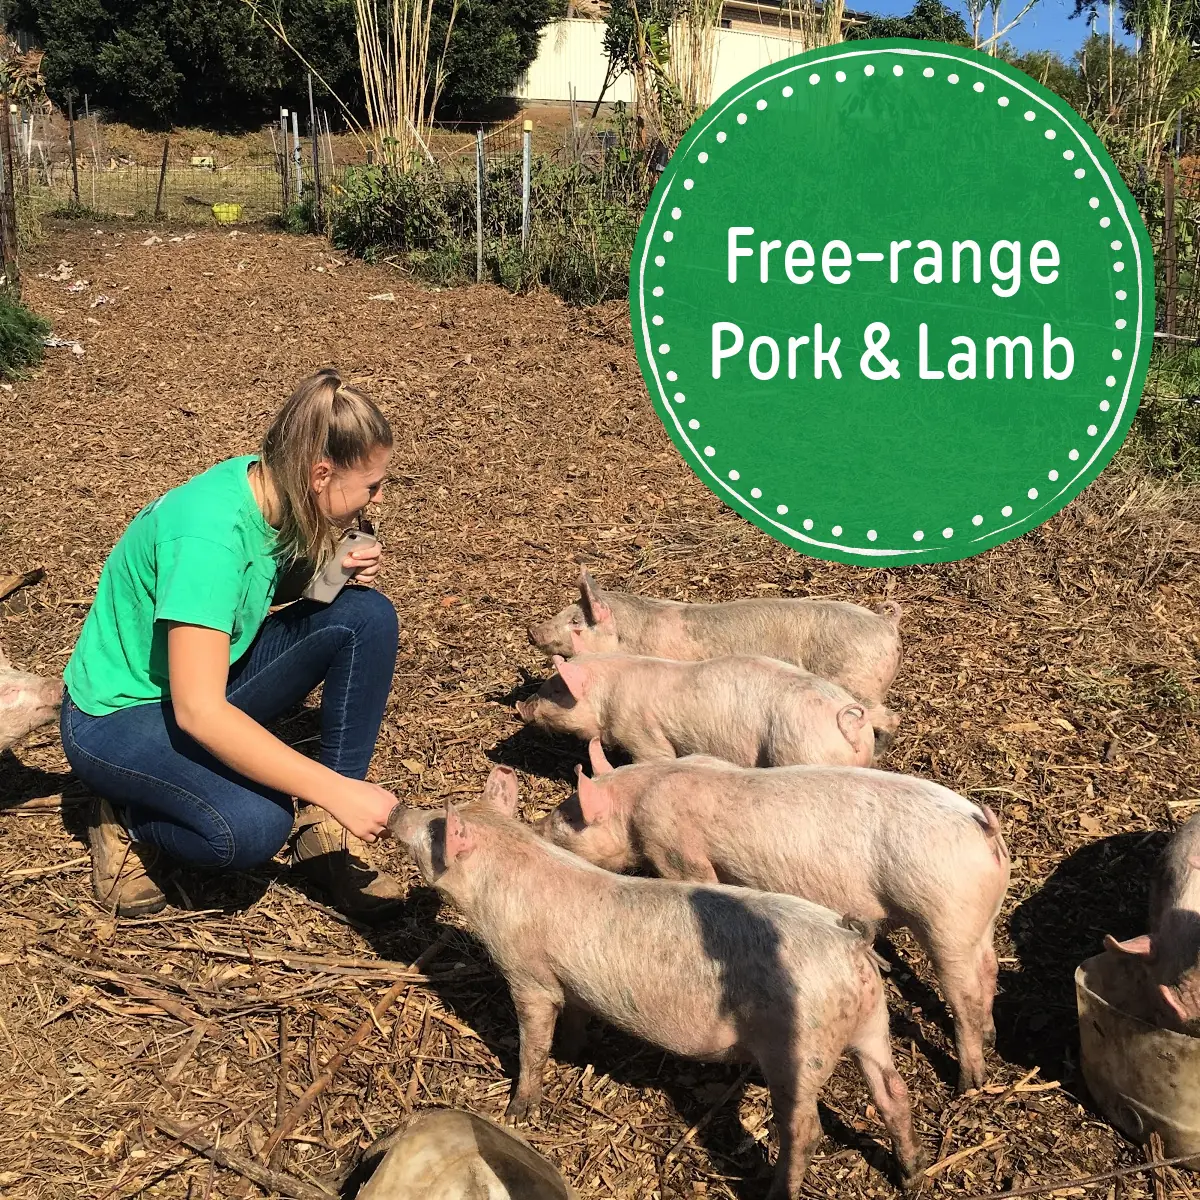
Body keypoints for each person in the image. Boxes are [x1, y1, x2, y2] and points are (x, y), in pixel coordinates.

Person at [59, 368, 405, 919]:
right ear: (321, 473)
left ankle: (329, 834)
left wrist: (327, 569)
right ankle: (125, 815)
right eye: (371, 485)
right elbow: (199, 712)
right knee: (251, 828)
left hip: (200, 679)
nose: (378, 498)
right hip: (118, 717)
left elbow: (259, 586)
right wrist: (335, 788)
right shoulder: (209, 535)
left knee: (365, 616)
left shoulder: (273, 488)